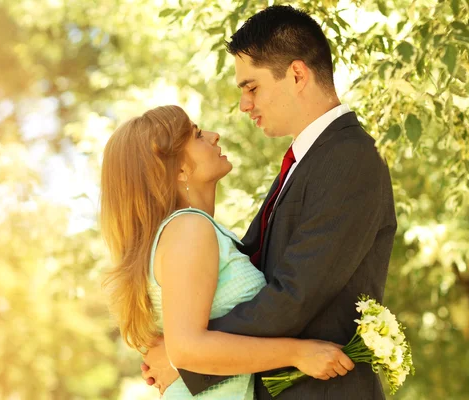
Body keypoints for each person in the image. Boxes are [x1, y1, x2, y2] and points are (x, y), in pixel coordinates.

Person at [141, 5, 397, 400]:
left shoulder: (350, 157)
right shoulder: (307, 161)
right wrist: (181, 341)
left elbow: (295, 295)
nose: (244, 105)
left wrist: (184, 354)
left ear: (296, 74)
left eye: (251, 87)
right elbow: (253, 276)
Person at [100, 105, 354, 399]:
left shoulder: (188, 231)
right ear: (179, 168)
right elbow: (187, 350)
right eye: (196, 135)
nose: (213, 135)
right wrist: (298, 353)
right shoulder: (188, 229)